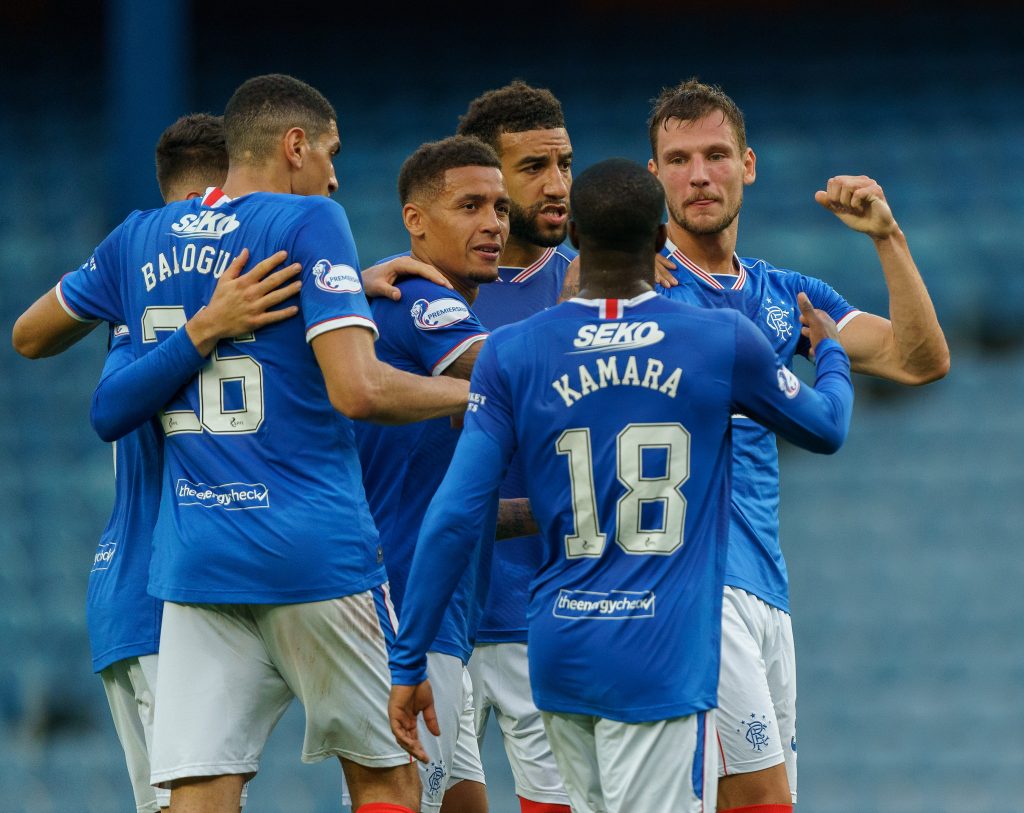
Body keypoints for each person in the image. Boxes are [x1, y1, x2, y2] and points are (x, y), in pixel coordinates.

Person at [14, 73, 471, 813]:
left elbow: (29, 334)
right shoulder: (310, 222)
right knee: (385, 776)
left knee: (197, 794)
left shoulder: (137, 237)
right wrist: (488, 397)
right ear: (294, 146)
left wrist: (334, 290)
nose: (333, 174)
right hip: (311, 548)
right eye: (330, 152)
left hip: (198, 563)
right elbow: (360, 391)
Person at [386, 158, 855, 813]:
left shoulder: (512, 352)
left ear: (574, 235)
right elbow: (826, 426)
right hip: (658, 653)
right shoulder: (716, 339)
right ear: (662, 239)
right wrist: (829, 351)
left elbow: (455, 516)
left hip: (559, 648)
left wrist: (408, 660)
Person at [646, 78, 950, 811]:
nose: (698, 175)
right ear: (653, 174)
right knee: (761, 802)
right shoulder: (641, 287)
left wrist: (887, 236)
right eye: (678, 159)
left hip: (767, 590)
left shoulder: (787, 295)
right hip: (694, 586)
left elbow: (920, 358)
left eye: (715, 155)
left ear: (748, 164)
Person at [353, 134, 510, 813]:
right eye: (470, 205)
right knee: (407, 797)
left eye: (501, 207)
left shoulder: (417, 311)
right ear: (415, 220)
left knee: (461, 802)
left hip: (440, 603)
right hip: (406, 600)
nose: (494, 224)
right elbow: (509, 369)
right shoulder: (422, 303)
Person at [453, 80, 576, 813]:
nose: (558, 184)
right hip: (441, 614)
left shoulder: (596, 292)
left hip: (550, 616)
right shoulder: (416, 298)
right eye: (534, 167)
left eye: (563, 163)